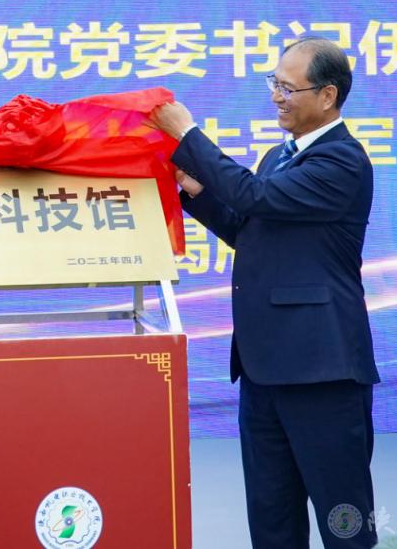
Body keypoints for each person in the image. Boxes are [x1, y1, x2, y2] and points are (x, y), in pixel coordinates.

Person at [150, 36, 379, 549]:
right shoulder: (279, 156)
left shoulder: (342, 161)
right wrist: (197, 192)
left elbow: (256, 196)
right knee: (272, 516)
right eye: (274, 83)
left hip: (322, 369)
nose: (276, 96)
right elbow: (250, 227)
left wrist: (187, 134)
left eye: (288, 88)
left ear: (327, 95)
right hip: (263, 367)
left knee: (343, 517)